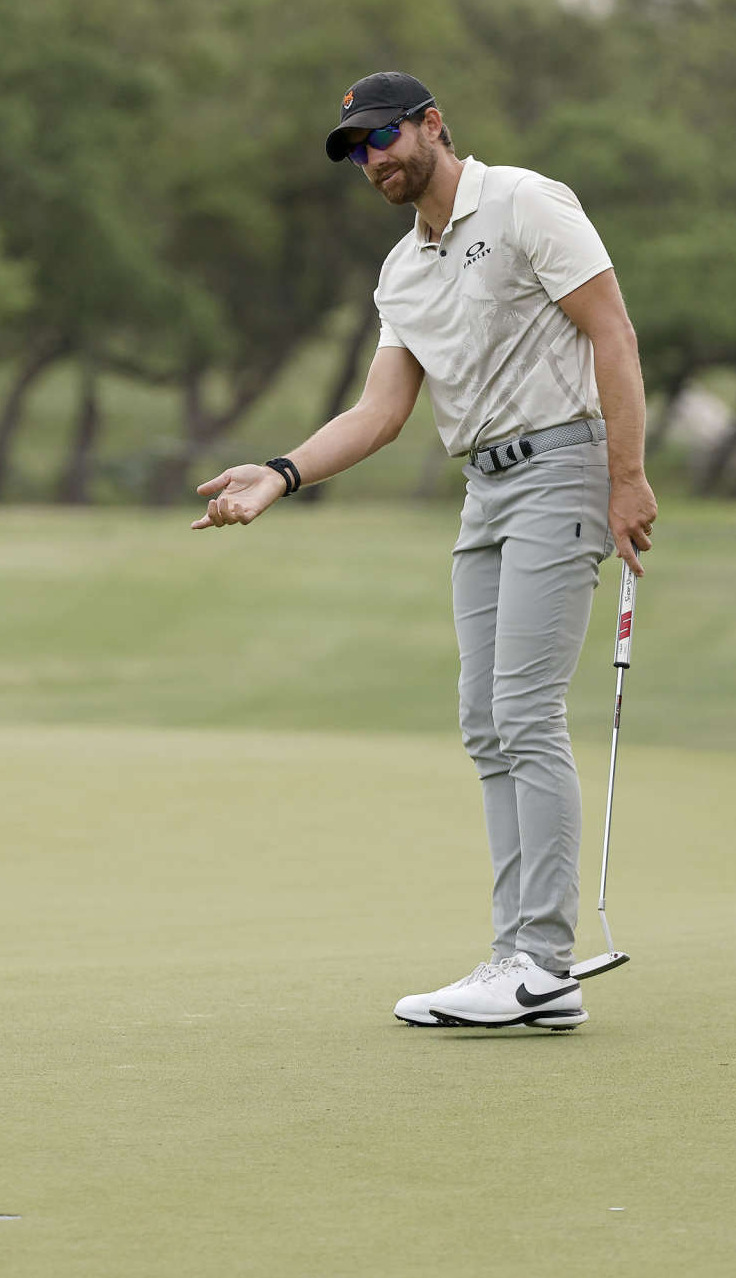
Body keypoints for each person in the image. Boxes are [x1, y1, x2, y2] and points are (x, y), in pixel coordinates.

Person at [190, 71, 658, 1031]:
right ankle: (513, 959)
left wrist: (627, 475)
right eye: (357, 150)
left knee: (525, 712)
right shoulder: (403, 272)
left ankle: (543, 961)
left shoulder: (528, 202)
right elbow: (380, 411)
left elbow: (611, 331)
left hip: (562, 466)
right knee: (485, 721)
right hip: (484, 489)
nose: (373, 161)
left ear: (433, 127)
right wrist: (279, 473)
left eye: (384, 138)